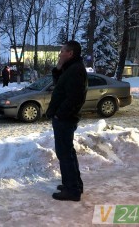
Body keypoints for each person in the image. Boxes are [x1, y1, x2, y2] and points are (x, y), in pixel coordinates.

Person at [46, 40, 88, 201]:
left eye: (62, 51)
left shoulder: (76, 70)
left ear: (70, 53)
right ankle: (74, 184)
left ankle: (72, 190)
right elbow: (60, 87)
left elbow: (74, 98)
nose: (60, 53)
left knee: (64, 154)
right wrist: (58, 68)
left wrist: (59, 115)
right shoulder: (70, 68)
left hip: (65, 119)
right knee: (67, 152)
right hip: (64, 118)